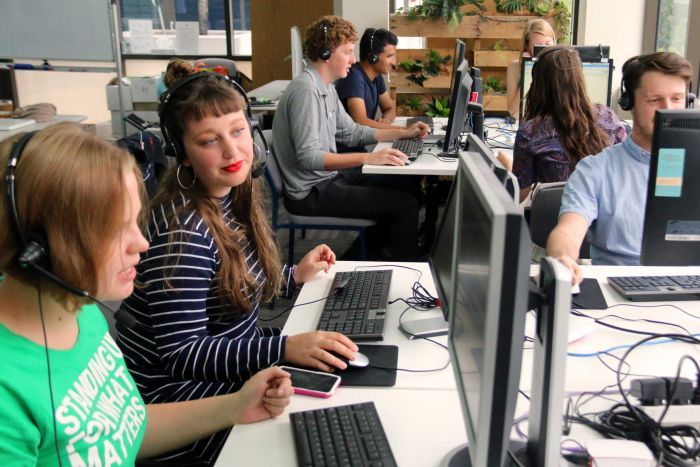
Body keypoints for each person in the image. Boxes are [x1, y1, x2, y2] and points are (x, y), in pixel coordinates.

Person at [0, 123, 293, 465]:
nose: (141, 244)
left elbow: (128, 428)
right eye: (114, 231)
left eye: (133, 223)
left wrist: (237, 406)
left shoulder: (79, 310)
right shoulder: (8, 396)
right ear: (41, 247)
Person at [116, 59, 360, 463]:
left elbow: (233, 278)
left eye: (238, 131)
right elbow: (183, 353)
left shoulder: (229, 196)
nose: (232, 150)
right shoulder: (185, 231)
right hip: (172, 393)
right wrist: (283, 349)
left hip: (222, 357)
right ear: (183, 153)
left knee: (324, 391)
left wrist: (292, 275)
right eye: (209, 141)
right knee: (297, 433)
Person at [272, 15, 430, 261]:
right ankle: (400, 268)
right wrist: (370, 157)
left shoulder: (326, 87)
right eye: (347, 52)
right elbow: (308, 158)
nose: (354, 59)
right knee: (405, 206)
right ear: (326, 54)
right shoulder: (306, 91)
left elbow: (352, 131)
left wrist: (403, 132)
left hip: (327, 180)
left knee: (408, 186)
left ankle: (366, 257)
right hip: (311, 193)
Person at [546, 52, 693, 284]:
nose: (668, 110)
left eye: (676, 99)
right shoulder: (596, 170)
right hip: (620, 292)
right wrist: (563, 258)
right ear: (629, 103)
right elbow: (569, 230)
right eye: (655, 100)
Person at [510, 46, 626, 203]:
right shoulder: (609, 118)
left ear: (538, 84)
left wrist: (507, 167)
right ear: (579, 79)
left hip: (556, 220)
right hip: (604, 217)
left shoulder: (530, 132)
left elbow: (518, 195)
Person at [335, 27, 399, 129]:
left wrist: (386, 119)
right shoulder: (353, 77)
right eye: (389, 56)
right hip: (349, 145)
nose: (393, 62)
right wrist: (403, 131)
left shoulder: (377, 76)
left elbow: (389, 108)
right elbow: (360, 122)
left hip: (365, 142)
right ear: (372, 58)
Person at [506, 18, 556, 120]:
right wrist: (528, 69)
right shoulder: (515, 67)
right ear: (527, 47)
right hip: (528, 125)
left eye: (548, 44)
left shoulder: (560, 67)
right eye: (538, 46)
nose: (544, 51)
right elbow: (513, 113)